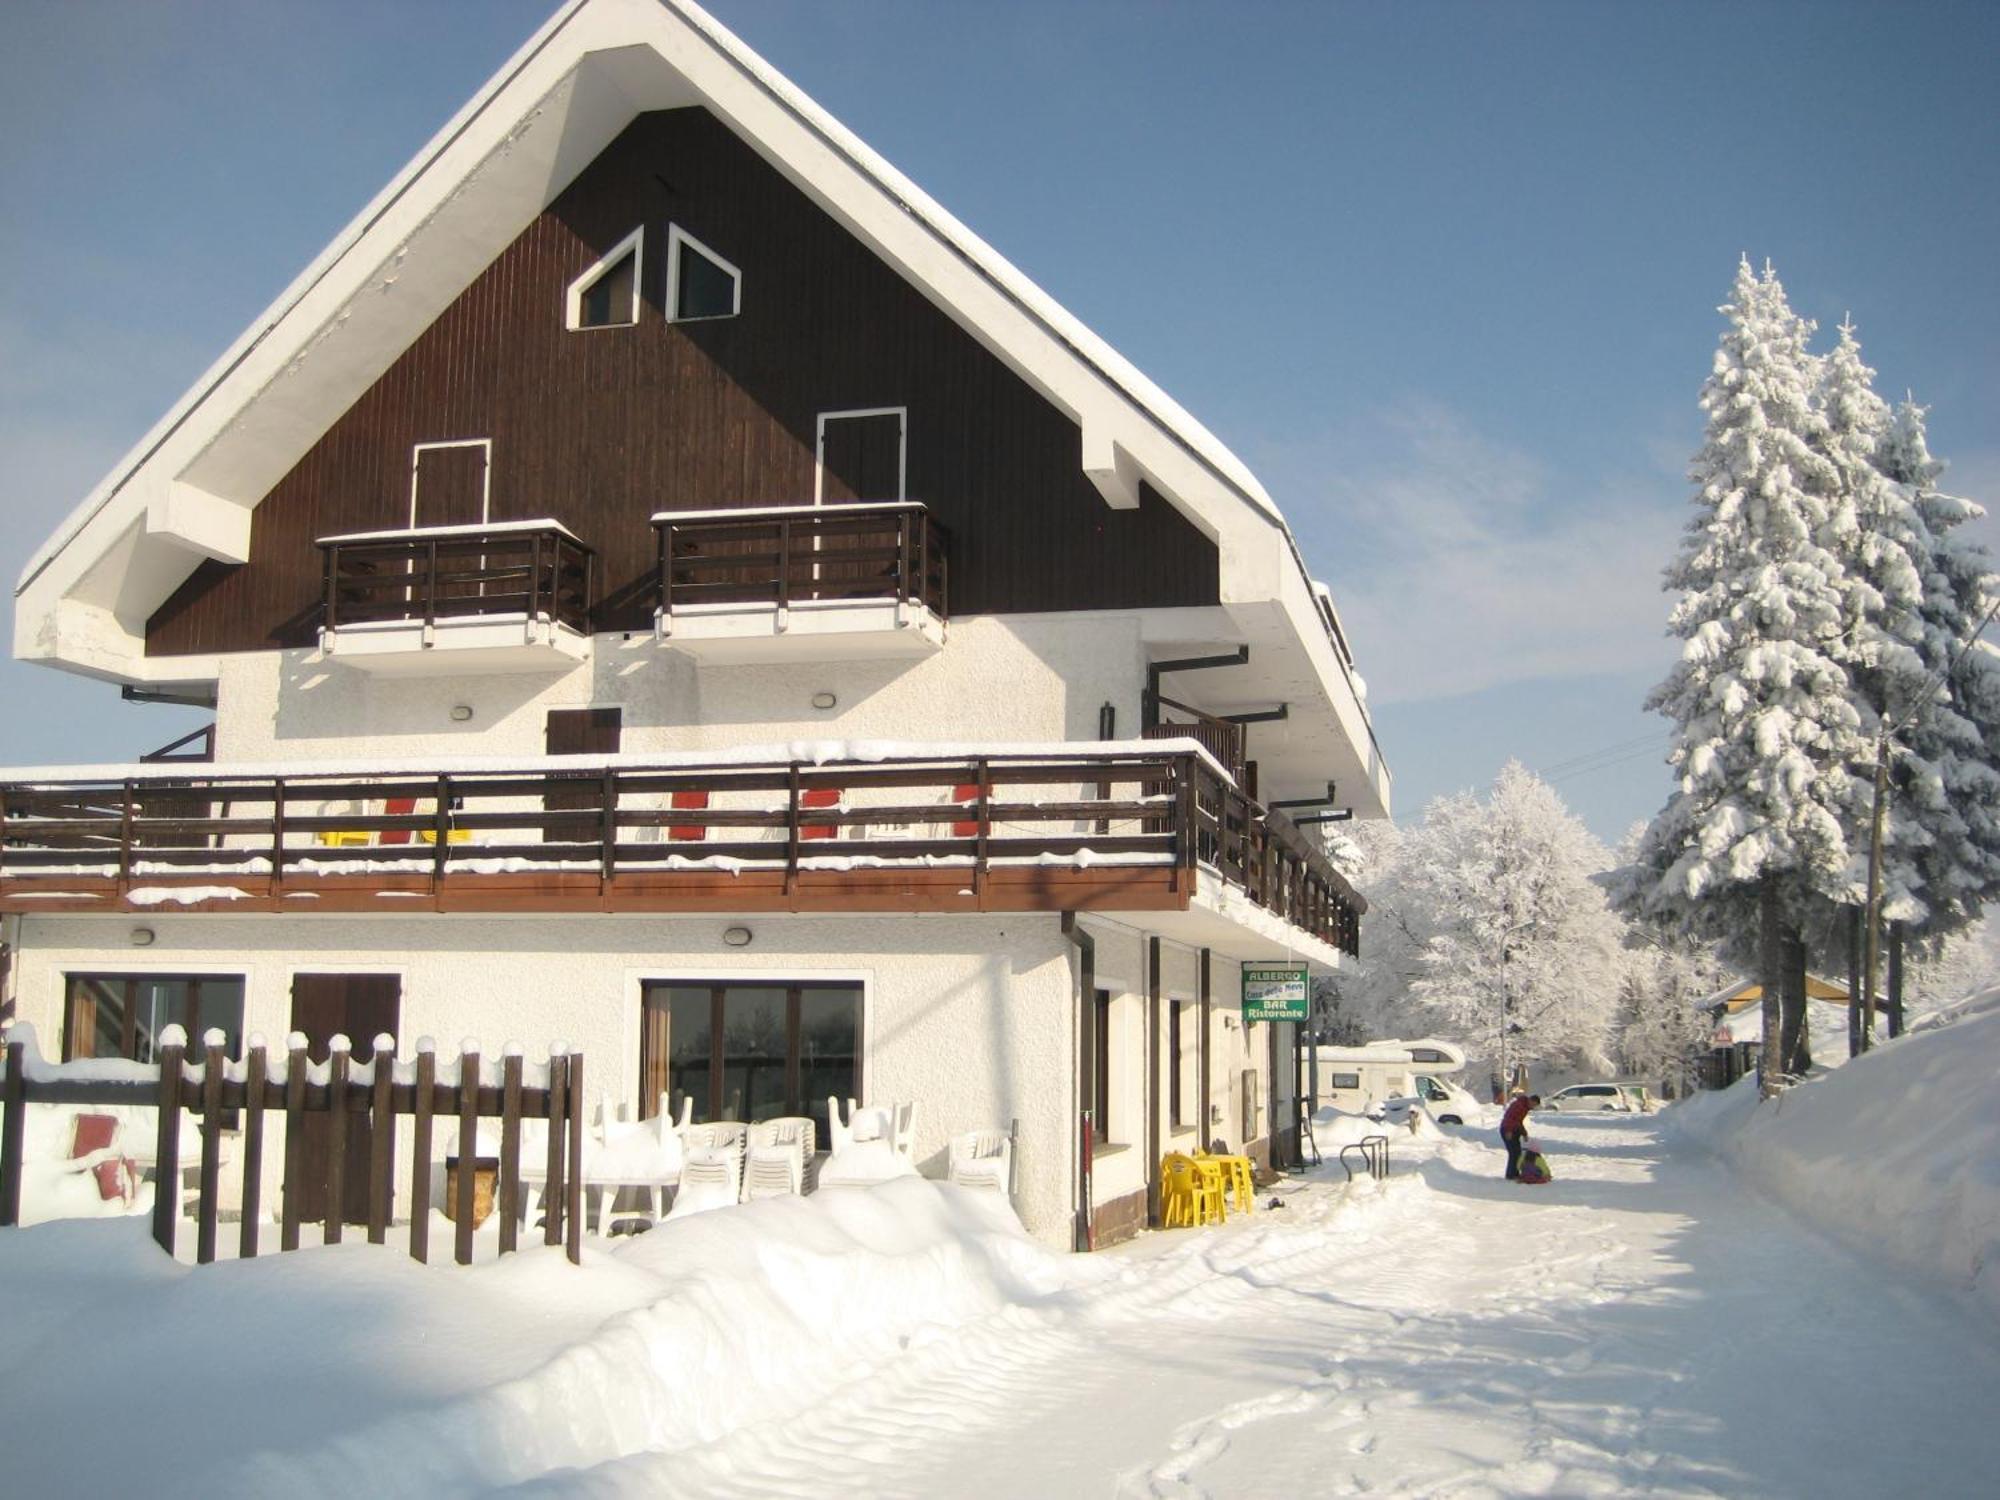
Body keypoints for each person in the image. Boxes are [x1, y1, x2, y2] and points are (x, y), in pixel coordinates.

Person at [1498, 1093, 1540, 1181]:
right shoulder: (1518, 1105)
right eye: (1533, 1104)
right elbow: (1509, 1118)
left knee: (1517, 1153)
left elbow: (1519, 1122)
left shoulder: (1524, 1107)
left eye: (1534, 1106)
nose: (1533, 1107)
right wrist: (1508, 1131)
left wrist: (1524, 1134)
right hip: (1507, 1130)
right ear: (1530, 1100)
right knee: (1513, 1153)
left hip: (1515, 1131)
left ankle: (1514, 1173)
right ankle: (1510, 1175)